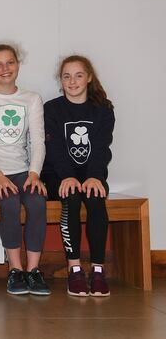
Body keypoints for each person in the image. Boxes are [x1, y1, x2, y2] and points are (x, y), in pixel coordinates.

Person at [0, 43, 49, 296]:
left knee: (37, 200)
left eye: (10, 62)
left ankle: (33, 271)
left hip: (23, 170)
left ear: (18, 65)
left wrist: (34, 173)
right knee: (10, 200)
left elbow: (38, 141)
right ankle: (15, 270)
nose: (5, 68)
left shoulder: (31, 99)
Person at [42, 55, 115, 297]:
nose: (72, 81)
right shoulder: (51, 109)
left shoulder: (103, 110)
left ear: (89, 78)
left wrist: (94, 176)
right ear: (60, 80)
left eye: (79, 75)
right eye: (66, 76)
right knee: (71, 198)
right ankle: (74, 269)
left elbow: (102, 147)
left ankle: (97, 270)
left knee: (95, 198)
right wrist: (67, 176)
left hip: (91, 174)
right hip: (57, 175)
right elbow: (54, 150)